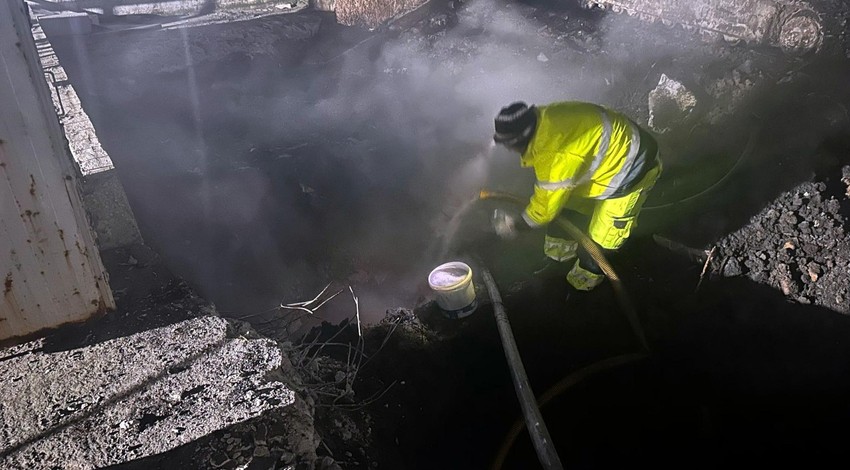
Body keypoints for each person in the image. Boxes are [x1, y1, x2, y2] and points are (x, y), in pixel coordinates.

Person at [491, 101, 662, 291]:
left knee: (602, 238)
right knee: (564, 210)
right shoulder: (543, 117)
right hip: (603, 157)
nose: (508, 150)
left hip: (631, 166)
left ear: (520, 140)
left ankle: (581, 287)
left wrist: (516, 225)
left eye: (508, 145)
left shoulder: (554, 156)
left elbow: (545, 209)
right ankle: (557, 262)